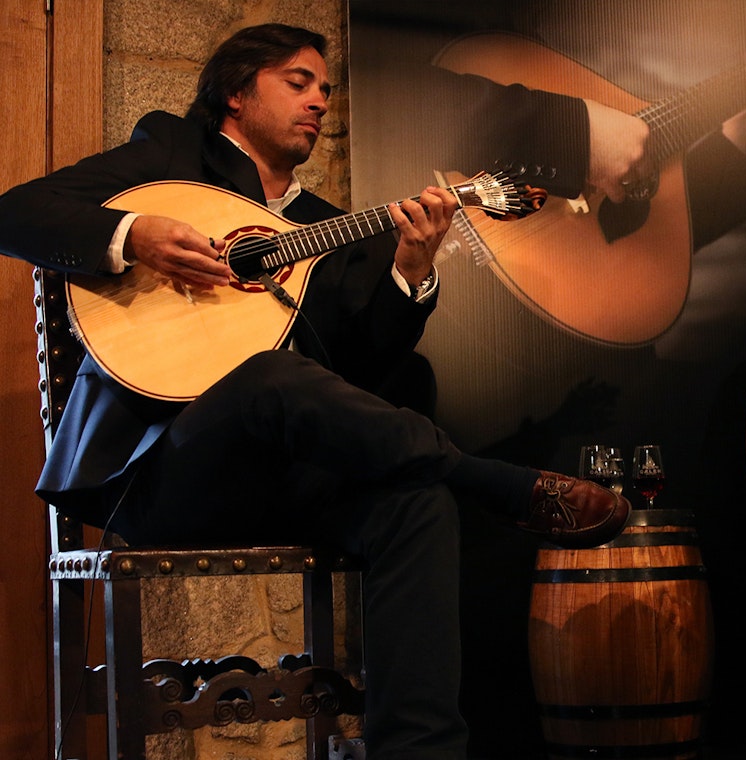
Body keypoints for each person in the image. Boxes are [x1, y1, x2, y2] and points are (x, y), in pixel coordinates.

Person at [0, 23, 631, 759]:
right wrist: (133, 234)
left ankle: (421, 750)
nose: (318, 102)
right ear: (236, 95)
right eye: (297, 83)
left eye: (325, 89)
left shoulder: (330, 229)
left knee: (414, 501)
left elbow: (364, 370)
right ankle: (490, 481)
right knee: (269, 378)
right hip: (160, 468)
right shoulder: (173, 153)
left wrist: (412, 272)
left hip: (280, 478)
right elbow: (15, 212)